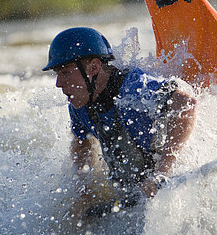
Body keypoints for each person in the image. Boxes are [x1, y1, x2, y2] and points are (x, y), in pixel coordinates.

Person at [43, 27, 196, 219]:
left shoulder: (134, 90)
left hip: (172, 179)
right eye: (57, 74)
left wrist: (161, 172)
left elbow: (185, 103)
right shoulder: (79, 104)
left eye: (65, 73)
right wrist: (86, 191)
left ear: (93, 67)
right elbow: (81, 141)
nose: (58, 83)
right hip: (134, 193)